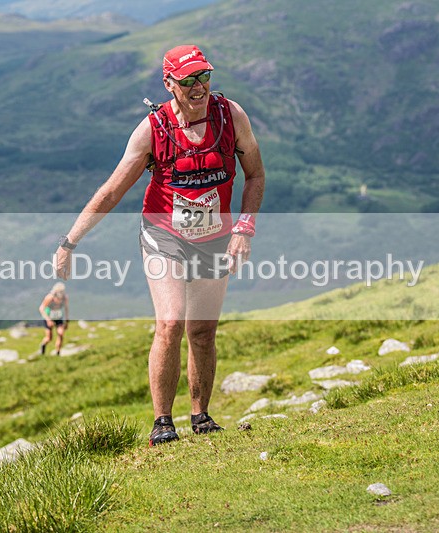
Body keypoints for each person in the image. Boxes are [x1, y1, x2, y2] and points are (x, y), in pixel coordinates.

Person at [53, 44, 265, 446]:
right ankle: (162, 422)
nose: (199, 86)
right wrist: (69, 242)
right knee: (170, 322)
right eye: (188, 80)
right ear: (169, 84)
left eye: (204, 76)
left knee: (202, 330)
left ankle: (200, 417)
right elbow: (113, 190)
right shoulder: (152, 130)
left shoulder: (232, 116)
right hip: (163, 236)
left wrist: (244, 229)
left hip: (215, 237)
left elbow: (255, 175)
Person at [38, 282, 69, 355]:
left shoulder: (65, 298)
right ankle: (43, 346)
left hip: (58, 317)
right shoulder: (49, 297)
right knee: (49, 338)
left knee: (61, 333)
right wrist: (48, 320)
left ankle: (58, 352)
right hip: (48, 317)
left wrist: (67, 321)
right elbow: (41, 308)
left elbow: (66, 309)